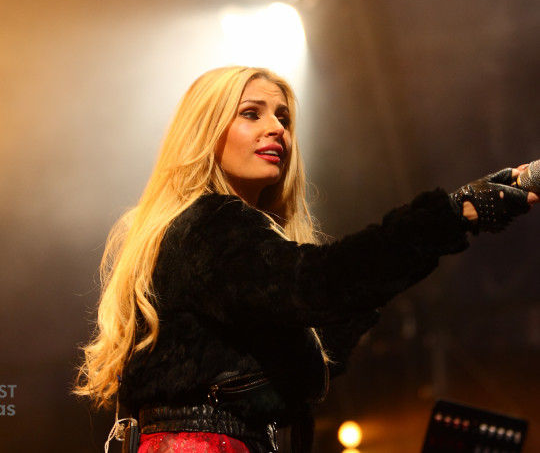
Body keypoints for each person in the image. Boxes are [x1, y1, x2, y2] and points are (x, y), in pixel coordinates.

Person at [73, 65, 538, 453]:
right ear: (204, 132)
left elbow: (316, 340)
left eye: (283, 118)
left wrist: (454, 222)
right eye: (251, 113)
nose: (277, 128)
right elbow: (319, 284)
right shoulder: (210, 225)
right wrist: (453, 214)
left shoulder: (202, 237)